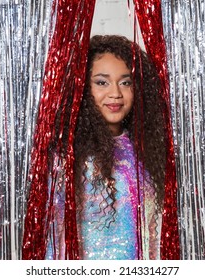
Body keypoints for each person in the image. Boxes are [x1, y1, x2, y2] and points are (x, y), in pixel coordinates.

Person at [26, 35, 169, 260]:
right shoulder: (66, 157)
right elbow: (53, 238)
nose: (115, 93)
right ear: (82, 88)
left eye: (125, 82)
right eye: (102, 82)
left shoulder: (147, 152)